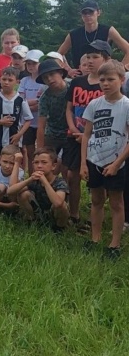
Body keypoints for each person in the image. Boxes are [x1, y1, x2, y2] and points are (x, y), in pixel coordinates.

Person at [81, 59, 129, 259]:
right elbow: (86, 134)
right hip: (94, 159)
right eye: (102, 80)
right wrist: (83, 162)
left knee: (117, 202)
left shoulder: (126, 105)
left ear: (122, 79)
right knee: (96, 199)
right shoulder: (94, 104)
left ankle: (114, 244)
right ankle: (95, 238)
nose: (106, 84)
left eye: (111, 79)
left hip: (117, 161)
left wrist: (117, 164)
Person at [64, 40, 110, 228]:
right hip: (74, 136)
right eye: (88, 57)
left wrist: (89, 136)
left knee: (97, 180)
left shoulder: (107, 83)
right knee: (71, 175)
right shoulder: (77, 82)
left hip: (99, 139)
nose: (90, 61)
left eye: (95, 57)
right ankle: (74, 214)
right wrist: (74, 129)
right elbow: (69, 108)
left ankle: (94, 218)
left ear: (106, 59)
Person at [58, 0, 129, 74]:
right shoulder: (73, 34)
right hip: (80, 77)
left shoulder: (108, 30)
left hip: (103, 75)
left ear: (98, 12)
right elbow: (58, 55)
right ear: (81, 15)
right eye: (84, 13)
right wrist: (68, 70)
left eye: (91, 12)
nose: (88, 15)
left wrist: (119, 70)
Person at [8, 146, 70, 232]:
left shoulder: (60, 182)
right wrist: (29, 179)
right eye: (36, 162)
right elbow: (10, 191)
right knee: (23, 194)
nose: (39, 166)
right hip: (39, 212)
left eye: (44, 162)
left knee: (62, 206)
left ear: (53, 166)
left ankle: (59, 229)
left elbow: (58, 203)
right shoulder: (34, 180)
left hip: (53, 214)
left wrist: (45, 182)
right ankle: (31, 221)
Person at [0, 66, 33, 162]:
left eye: (10, 80)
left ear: (17, 82)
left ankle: (20, 177)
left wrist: (19, 134)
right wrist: (1, 122)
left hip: (14, 140)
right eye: (4, 79)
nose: (6, 82)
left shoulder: (21, 100)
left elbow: (28, 120)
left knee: (15, 163)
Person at [36, 58, 70, 171]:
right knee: (49, 168)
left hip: (71, 133)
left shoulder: (73, 87)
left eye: (52, 74)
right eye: (45, 77)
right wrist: (40, 151)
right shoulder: (45, 98)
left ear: (60, 73)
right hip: (53, 134)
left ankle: (66, 188)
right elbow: (41, 125)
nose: (49, 79)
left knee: (67, 169)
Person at [18, 49, 46, 175]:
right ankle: (31, 177)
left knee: (41, 152)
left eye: (34, 63)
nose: (30, 66)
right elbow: (19, 101)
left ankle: (41, 177)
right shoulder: (25, 81)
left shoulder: (44, 82)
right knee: (29, 152)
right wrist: (35, 102)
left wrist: (27, 104)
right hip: (27, 123)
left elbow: (43, 104)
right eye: (28, 64)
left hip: (41, 122)